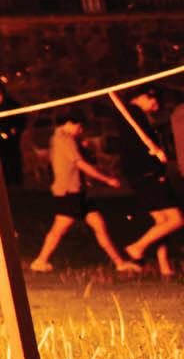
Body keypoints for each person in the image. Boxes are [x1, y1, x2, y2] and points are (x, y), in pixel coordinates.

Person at [28, 116, 140, 273]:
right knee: (59, 228)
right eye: (79, 127)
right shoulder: (63, 140)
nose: (80, 131)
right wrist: (107, 180)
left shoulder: (63, 139)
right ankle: (40, 261)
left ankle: (119, 263)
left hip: (79, 192)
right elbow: (80, 164)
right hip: (68, 192)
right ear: (69, 123)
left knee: (99, 225)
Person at [118, 90, 184, 274]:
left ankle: (164, 266)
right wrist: (156, 159)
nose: (156, 105)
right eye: (152, 100)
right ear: (140, 97)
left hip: (143, 175)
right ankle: (137, 247)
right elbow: (141, 144)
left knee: (162, 222)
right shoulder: (132, 114)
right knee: (177, 219)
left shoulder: (136, 117)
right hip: (146, 175)